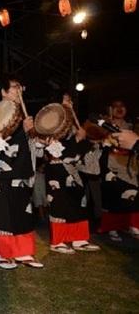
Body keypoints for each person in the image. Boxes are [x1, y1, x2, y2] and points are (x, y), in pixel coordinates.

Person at [0, 75, 44, 269]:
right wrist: (23, 131)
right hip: (3, 172)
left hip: (23, 170)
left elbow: (32, 146)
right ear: (3, 92)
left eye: (20, 86)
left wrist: (34, 136)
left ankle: (23, 252)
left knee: (22, 212)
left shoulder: (22, 114)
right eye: (15, 87)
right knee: (1, 214)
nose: (19, 90)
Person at [43, 95, 101, 253]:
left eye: (69, 101)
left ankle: (79, 238)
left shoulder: (71, 123)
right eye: (65, 100)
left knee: (78, 203)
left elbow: (78, 149)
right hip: (56, 169)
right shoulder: (49, 121)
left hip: (73, 171)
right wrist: (76, 139)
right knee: (59, 205)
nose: (68, 103)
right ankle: (58, 241)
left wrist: (83, 140)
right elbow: (57, 151)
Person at [99, 100, 138, 241]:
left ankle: (132, 225)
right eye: (116, 106)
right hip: (111, 165)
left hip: (129, 167)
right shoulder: (105, 125)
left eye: (123, 106)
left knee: (133, 194)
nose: (120, 109)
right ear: (110, 109)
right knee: (113, 197)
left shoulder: (132, 126)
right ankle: (112, 228)